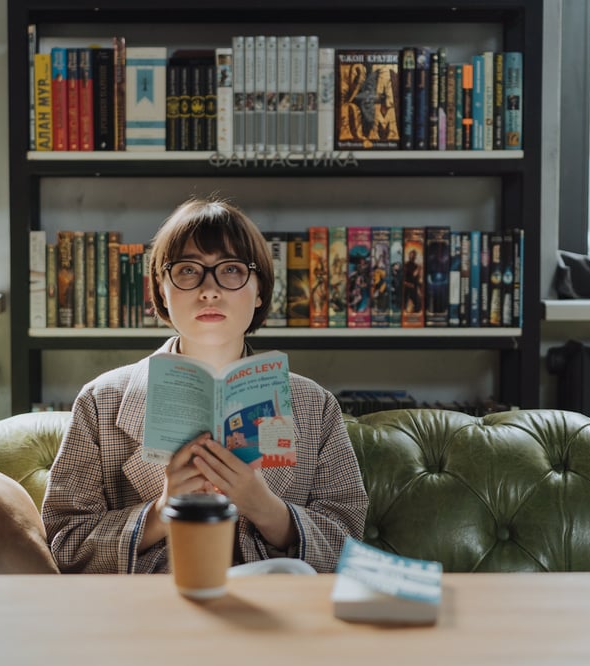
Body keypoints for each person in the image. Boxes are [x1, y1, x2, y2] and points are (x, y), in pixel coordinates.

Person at [41, 197, 368, 574]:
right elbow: (64, 544)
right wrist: (163, 510)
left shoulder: (315, 405)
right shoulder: (102, 401)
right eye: (187, 271)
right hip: (154, 610)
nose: (209, 291)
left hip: (274, 608)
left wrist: (266, 508)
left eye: (230, 270)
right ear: (161, 290)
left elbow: (350, 543)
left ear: (260, 290)